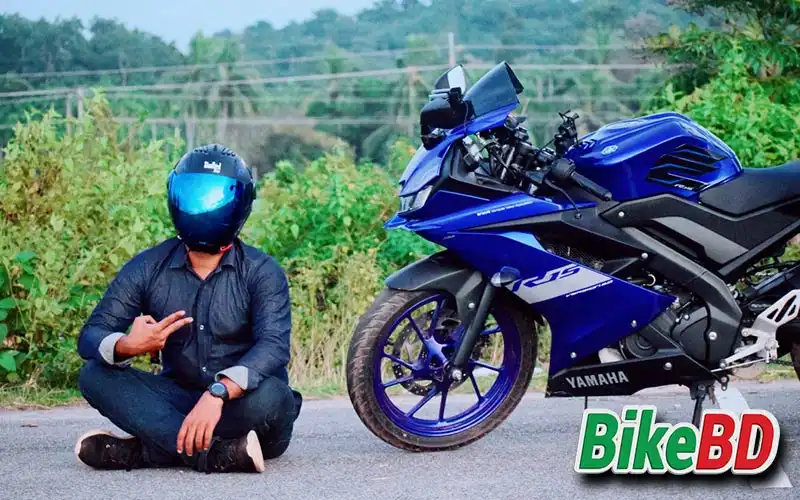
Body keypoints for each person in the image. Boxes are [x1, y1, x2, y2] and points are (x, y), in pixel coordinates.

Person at [74, 144, 302, 473]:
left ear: (240, 204)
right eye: (194, 195)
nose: (202, 209)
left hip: (242, 406)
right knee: (94, 375)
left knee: (274, 397)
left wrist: (219, 392)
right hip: (179, 399)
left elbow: (274, 347)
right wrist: (127, 345)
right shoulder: (149, 266)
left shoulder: (262, 271)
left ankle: (147, 451)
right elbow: (91, 336)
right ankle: (214, 455)